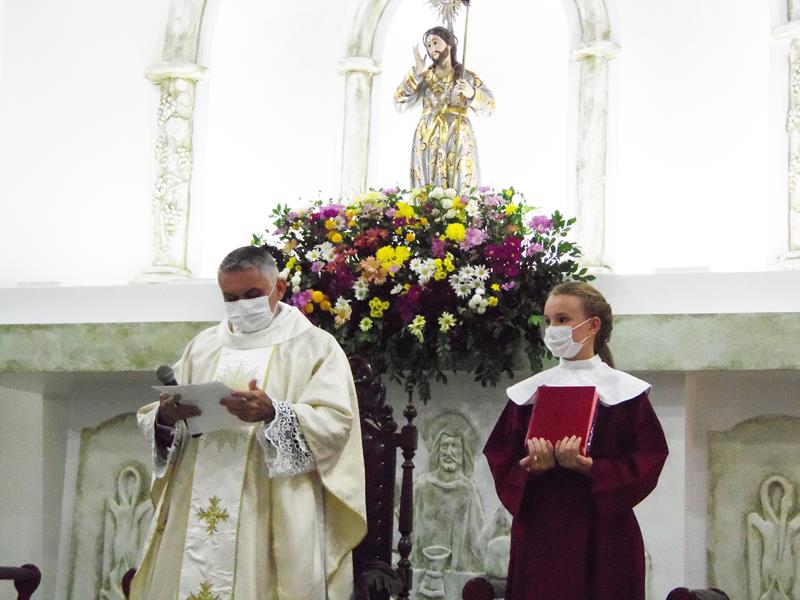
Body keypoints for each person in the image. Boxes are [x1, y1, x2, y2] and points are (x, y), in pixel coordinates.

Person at [130, 246, 367, 600]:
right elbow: (161, 415)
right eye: (231, 298)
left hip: (270, 507)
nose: (241, 305)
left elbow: (335, 423)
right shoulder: (204, 346)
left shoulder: (315, 347)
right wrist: (166, 416)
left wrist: (275, 413)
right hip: (194, 502)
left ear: (279, 288)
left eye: (252, 295)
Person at [483, 281, 668, 600]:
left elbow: (648, 460)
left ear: (593, 326)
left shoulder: (625, 394)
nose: (553, 329)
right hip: (540, 535)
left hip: (604, 535)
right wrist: (529, 467)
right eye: (549, 320)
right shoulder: (527, 394)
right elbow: (501, 457)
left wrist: (592, 469)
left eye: (563, 319)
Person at [394, 25, 495, 191]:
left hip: (457, 135)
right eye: (428, 45)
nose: (432, 48)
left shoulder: (465, 76)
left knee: (460, 186)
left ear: (449, 45)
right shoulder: (425, 77)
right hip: (427, 138)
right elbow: (399, 102)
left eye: (435, 42)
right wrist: (416, 73)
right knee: (427, 190)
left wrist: (472, 94)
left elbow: (490, 106)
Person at [413, 410, 485, 573]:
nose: (449, 452)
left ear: (463, 451)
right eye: (444, 446)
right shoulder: (422, 486)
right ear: (437, 450)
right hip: (421, 569)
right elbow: (404, 524)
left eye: (455, 446)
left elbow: (477, 539)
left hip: (457, 572)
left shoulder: (468, 492)